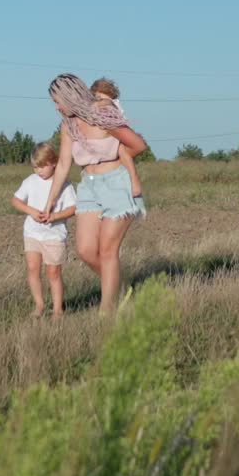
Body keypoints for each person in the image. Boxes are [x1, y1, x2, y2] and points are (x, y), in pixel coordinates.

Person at [45, 73, 148, 315]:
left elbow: (138, 145)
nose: (56, 106)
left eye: (57, 100)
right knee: (86, 251)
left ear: (69, 97)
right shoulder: (68, 125)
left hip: (116, 184)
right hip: (88, 187)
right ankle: (122, 289)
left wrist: (119, 157)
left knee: (107, 250)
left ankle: (106, 313)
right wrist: (50, 202)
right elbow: (62, 165)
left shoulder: (102, 115)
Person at [11, 142, 76, 318]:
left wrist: (54, 217)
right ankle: (39, 306)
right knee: (33, 268)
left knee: (53, 272)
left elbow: (73, 208)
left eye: (42, 166)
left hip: (54, 235)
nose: (38, 171)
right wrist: (31, 211)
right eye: (35, 167)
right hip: (32, 233)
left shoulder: (64, 184)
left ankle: (57, 310)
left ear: (54, 162)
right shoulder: (30, 182)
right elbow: (16, 201)